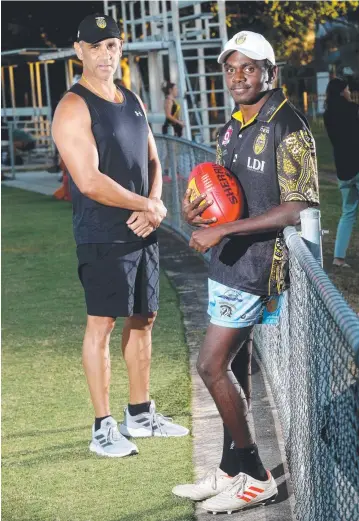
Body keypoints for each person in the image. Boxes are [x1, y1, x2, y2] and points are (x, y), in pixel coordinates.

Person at [172, 30, 319, 514]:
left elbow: (298, 206)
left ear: (269, 73)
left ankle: (256, 475)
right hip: (228, 259)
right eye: (231, 69)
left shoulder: (289, 125)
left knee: (210, 365)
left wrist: (226, 229)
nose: (238, 78)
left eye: (249, 68)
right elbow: (219, 189)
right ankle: (231, 468)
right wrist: (200, 215)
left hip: (256, 265)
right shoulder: (233, 124)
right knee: (234, 365)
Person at [52, 14, 188, 459]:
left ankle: (141, 414)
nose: (105, 54)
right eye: (96, 46)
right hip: (102, 233)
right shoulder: (73, 106)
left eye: (112, 45)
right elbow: (88, 181)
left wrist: (154, 203)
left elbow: (153, 156)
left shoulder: (130, 98)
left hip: (142, 226)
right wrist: (145, 206)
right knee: (102, 325)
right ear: (79, 50)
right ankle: (102, 427)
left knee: (145, 318)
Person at [323, 77, 359, 267]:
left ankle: (338, 257)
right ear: (342, 91)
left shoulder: (327, 114)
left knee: (347, 212)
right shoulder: (351, 109)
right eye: (348, 89)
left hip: (343, 170)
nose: (349, 92)